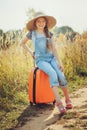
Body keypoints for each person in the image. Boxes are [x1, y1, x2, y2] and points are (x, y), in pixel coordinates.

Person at [21, 12, 72, 114]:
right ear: (35, 23)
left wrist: (59, 62)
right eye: (38, 21)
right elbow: (22, 43)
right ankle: (58, 102)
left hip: (51, 58)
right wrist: (32, 53)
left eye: (43, 21)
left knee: (60, 75)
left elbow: (54, 49)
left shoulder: (49, 33)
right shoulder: (32, 33)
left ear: (45, 23)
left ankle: (67, 99)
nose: (41, 23)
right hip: (41, 60)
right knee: (52, 73)